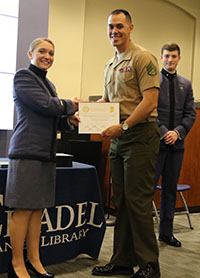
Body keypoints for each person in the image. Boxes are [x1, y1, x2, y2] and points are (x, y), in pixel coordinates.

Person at [92, 9, 161, 278]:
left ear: (131, 27)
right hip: (120, 139)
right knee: (119, 202)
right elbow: (107, 102)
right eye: (110, 27)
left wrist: (123, 126)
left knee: (138, 203)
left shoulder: (143, 58)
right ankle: (122, 261)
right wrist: (81, 113)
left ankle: (149, 266)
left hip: (140, 135)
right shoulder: (111, 64)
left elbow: (150, 102)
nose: (114, 31)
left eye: (119, 26)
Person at [5, 38, 79, 278]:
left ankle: (34, 261)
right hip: (27, 152)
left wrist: (70, 120)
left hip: (46, 154)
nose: (47, 56)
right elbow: (45, 106)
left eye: (51, 53)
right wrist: (72, 105)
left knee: (38, 210)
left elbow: (55, 117)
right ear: (30, 53)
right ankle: (17, 265)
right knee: (23, 210)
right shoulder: (22, 77)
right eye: (42, 51)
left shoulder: (49, 84)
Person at [154, 43, 196, 247]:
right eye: (166, 56)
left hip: (176, 146)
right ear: (161, 58)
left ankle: (166, 233)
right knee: (147, 190)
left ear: (179, 58)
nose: (170, 60)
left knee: (170, 190)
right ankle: (142, 235)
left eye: (173, 56)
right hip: (155, 145)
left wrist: (177, 132)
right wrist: (164, 132)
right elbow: (149, 111)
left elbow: (190, 114)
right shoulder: (154, 81)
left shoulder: (186, 84)